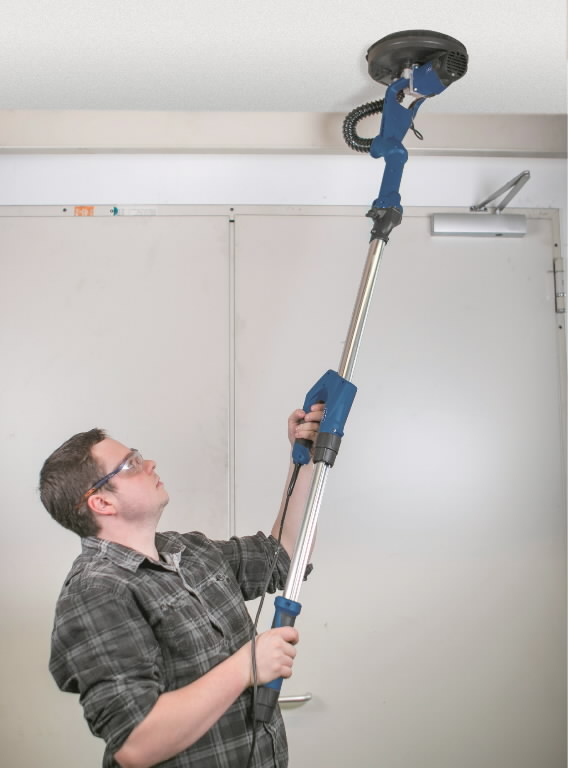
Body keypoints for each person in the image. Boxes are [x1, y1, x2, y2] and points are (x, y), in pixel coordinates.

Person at [40, 404, 324, 768]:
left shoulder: (188, 550)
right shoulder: (95, 593)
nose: (150, 464)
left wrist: (304, 460)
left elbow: (284, 554)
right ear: (102, 501)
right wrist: (246, 667)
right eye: (130, 465)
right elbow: (136, 744)